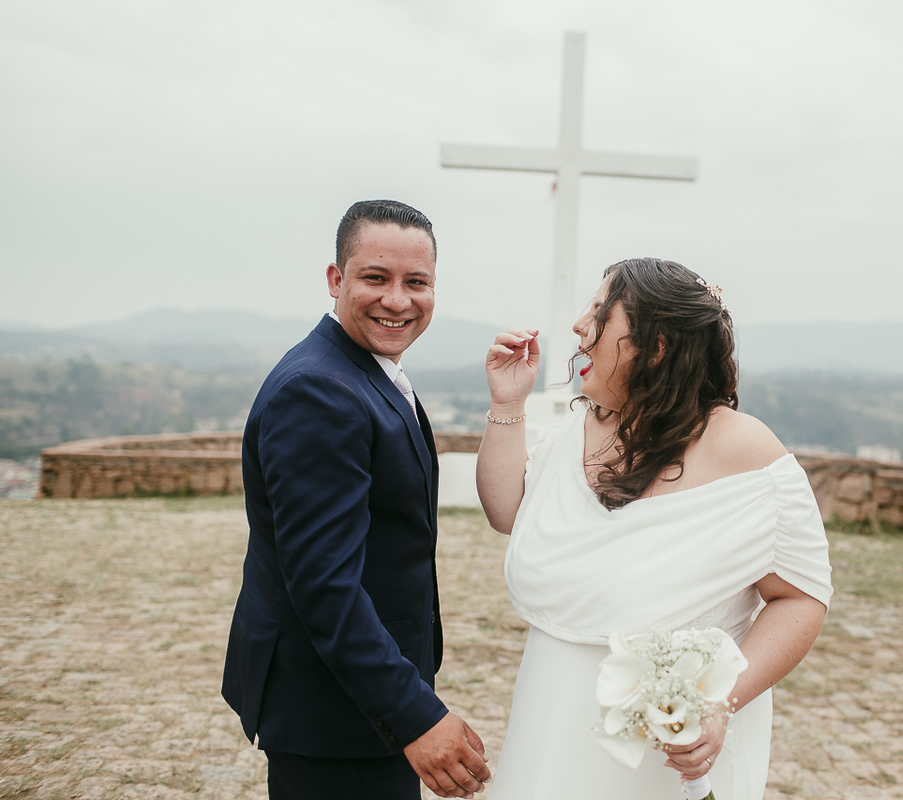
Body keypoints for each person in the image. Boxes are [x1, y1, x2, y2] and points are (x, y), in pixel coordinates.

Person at [476, 257, 833, 799]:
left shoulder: (746, 450)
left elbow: (801, 596)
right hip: (549, 719)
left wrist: (719, 702)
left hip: (665, 754)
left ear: (656, 345)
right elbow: (507, 512)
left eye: (599, 311)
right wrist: (508, 402)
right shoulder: (578, 428)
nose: (578, 326)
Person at [222, 200, 491, 800]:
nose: (398, 300)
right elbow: (324, 585)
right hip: (334, 709)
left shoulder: (367, 369)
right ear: (335, 279)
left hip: (361, 701)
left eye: (416, 282)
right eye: (376, 278)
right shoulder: (320, 390)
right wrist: (415, 713)